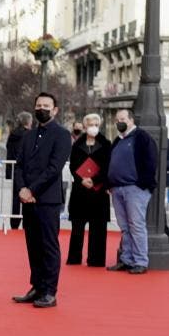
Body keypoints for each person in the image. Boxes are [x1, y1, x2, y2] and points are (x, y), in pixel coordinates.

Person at [11, 93, 72, 308]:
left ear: (55, 110)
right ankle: (36, 286)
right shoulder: (28, 135)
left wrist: (32, 190)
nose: (42, 109)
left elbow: (54, 169)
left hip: (47, 199)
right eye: (38, 105)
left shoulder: (62, 135)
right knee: (33, 245)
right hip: (27, 199)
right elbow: (18, 165)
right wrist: (22, 189)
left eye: (46, 106)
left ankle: (49, 291)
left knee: (48, 246)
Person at [106, 109, 158, 275]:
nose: (119, 122)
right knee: (124, 227)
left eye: (122, 119)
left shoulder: (142, 137)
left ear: (131, 120)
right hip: (117, 189)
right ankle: (126, 260)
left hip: (134, 189)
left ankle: (141, 261)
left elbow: (151, 161)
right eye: (117, 119)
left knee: (136, 226)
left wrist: (141, 184)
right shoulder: (118, 140)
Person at [67, 113, 111, 268]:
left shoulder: (106, 144)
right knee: (77, 227)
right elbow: (73, 166)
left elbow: (108, 166)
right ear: (84, 127)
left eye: (96, 124)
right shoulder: (77, 145)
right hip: (80, 191)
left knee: (98, 227)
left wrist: (95, 180)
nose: (93, 127)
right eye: (90, 124)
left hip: (98, 192)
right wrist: (81, 180)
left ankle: (96, 259)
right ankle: (74, 258)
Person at [5, 111, 32, 230]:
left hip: (14, 169)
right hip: (26, 170)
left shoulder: (13, 134)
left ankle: (14, 223)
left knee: (16, 197)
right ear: (28, 122)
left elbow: (9, 149)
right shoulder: (29, 135)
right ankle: (26, 222)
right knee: (27, 196)